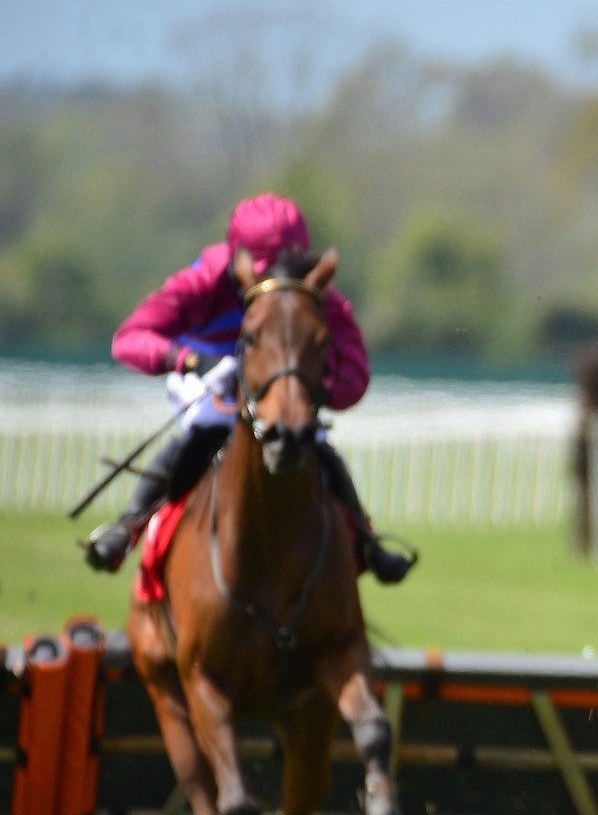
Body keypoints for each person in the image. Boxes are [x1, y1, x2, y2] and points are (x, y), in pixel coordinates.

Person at [84, 193, 414, 584]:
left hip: (279, 382)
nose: (273, 280)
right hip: (211, 376)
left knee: (316, 443)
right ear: (237, 258)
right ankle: (129, 525)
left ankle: (366, 540)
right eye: (262, 270)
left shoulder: (318, 295)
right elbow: (130, 339)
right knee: (205, 427)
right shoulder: (202, 281)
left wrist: (309, 386)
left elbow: (354, 379)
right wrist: (187, 360)